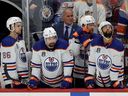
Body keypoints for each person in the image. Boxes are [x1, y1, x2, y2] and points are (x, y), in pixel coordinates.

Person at [84, 21, 124, 88]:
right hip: (98, 82)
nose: (108, 29)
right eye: (105, 27)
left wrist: (114, 81)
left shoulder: (118, 46)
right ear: (100, 30)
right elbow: (92, 62)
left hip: (115, 81)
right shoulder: (94, 43)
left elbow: (116, 67)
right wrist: (90, 76)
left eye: (109, 27)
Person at [1, 17, 29, 88]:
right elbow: (8, 64)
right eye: (18, 26)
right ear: (11, 27)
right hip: (13, 81)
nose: (20, 28)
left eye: (21, 26)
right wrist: (13, 79)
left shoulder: (20, 40)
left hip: (23, 79)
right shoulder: (7, 42)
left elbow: (22, 59)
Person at [72, 15, 99, 88]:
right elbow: (74, 53)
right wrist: (77, 40)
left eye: (93, 25)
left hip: (91, 73)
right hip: (78, 73)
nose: (92, 27)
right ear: (83, 25)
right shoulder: (75, 37)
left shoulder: (96, 37)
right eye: (90, 25)